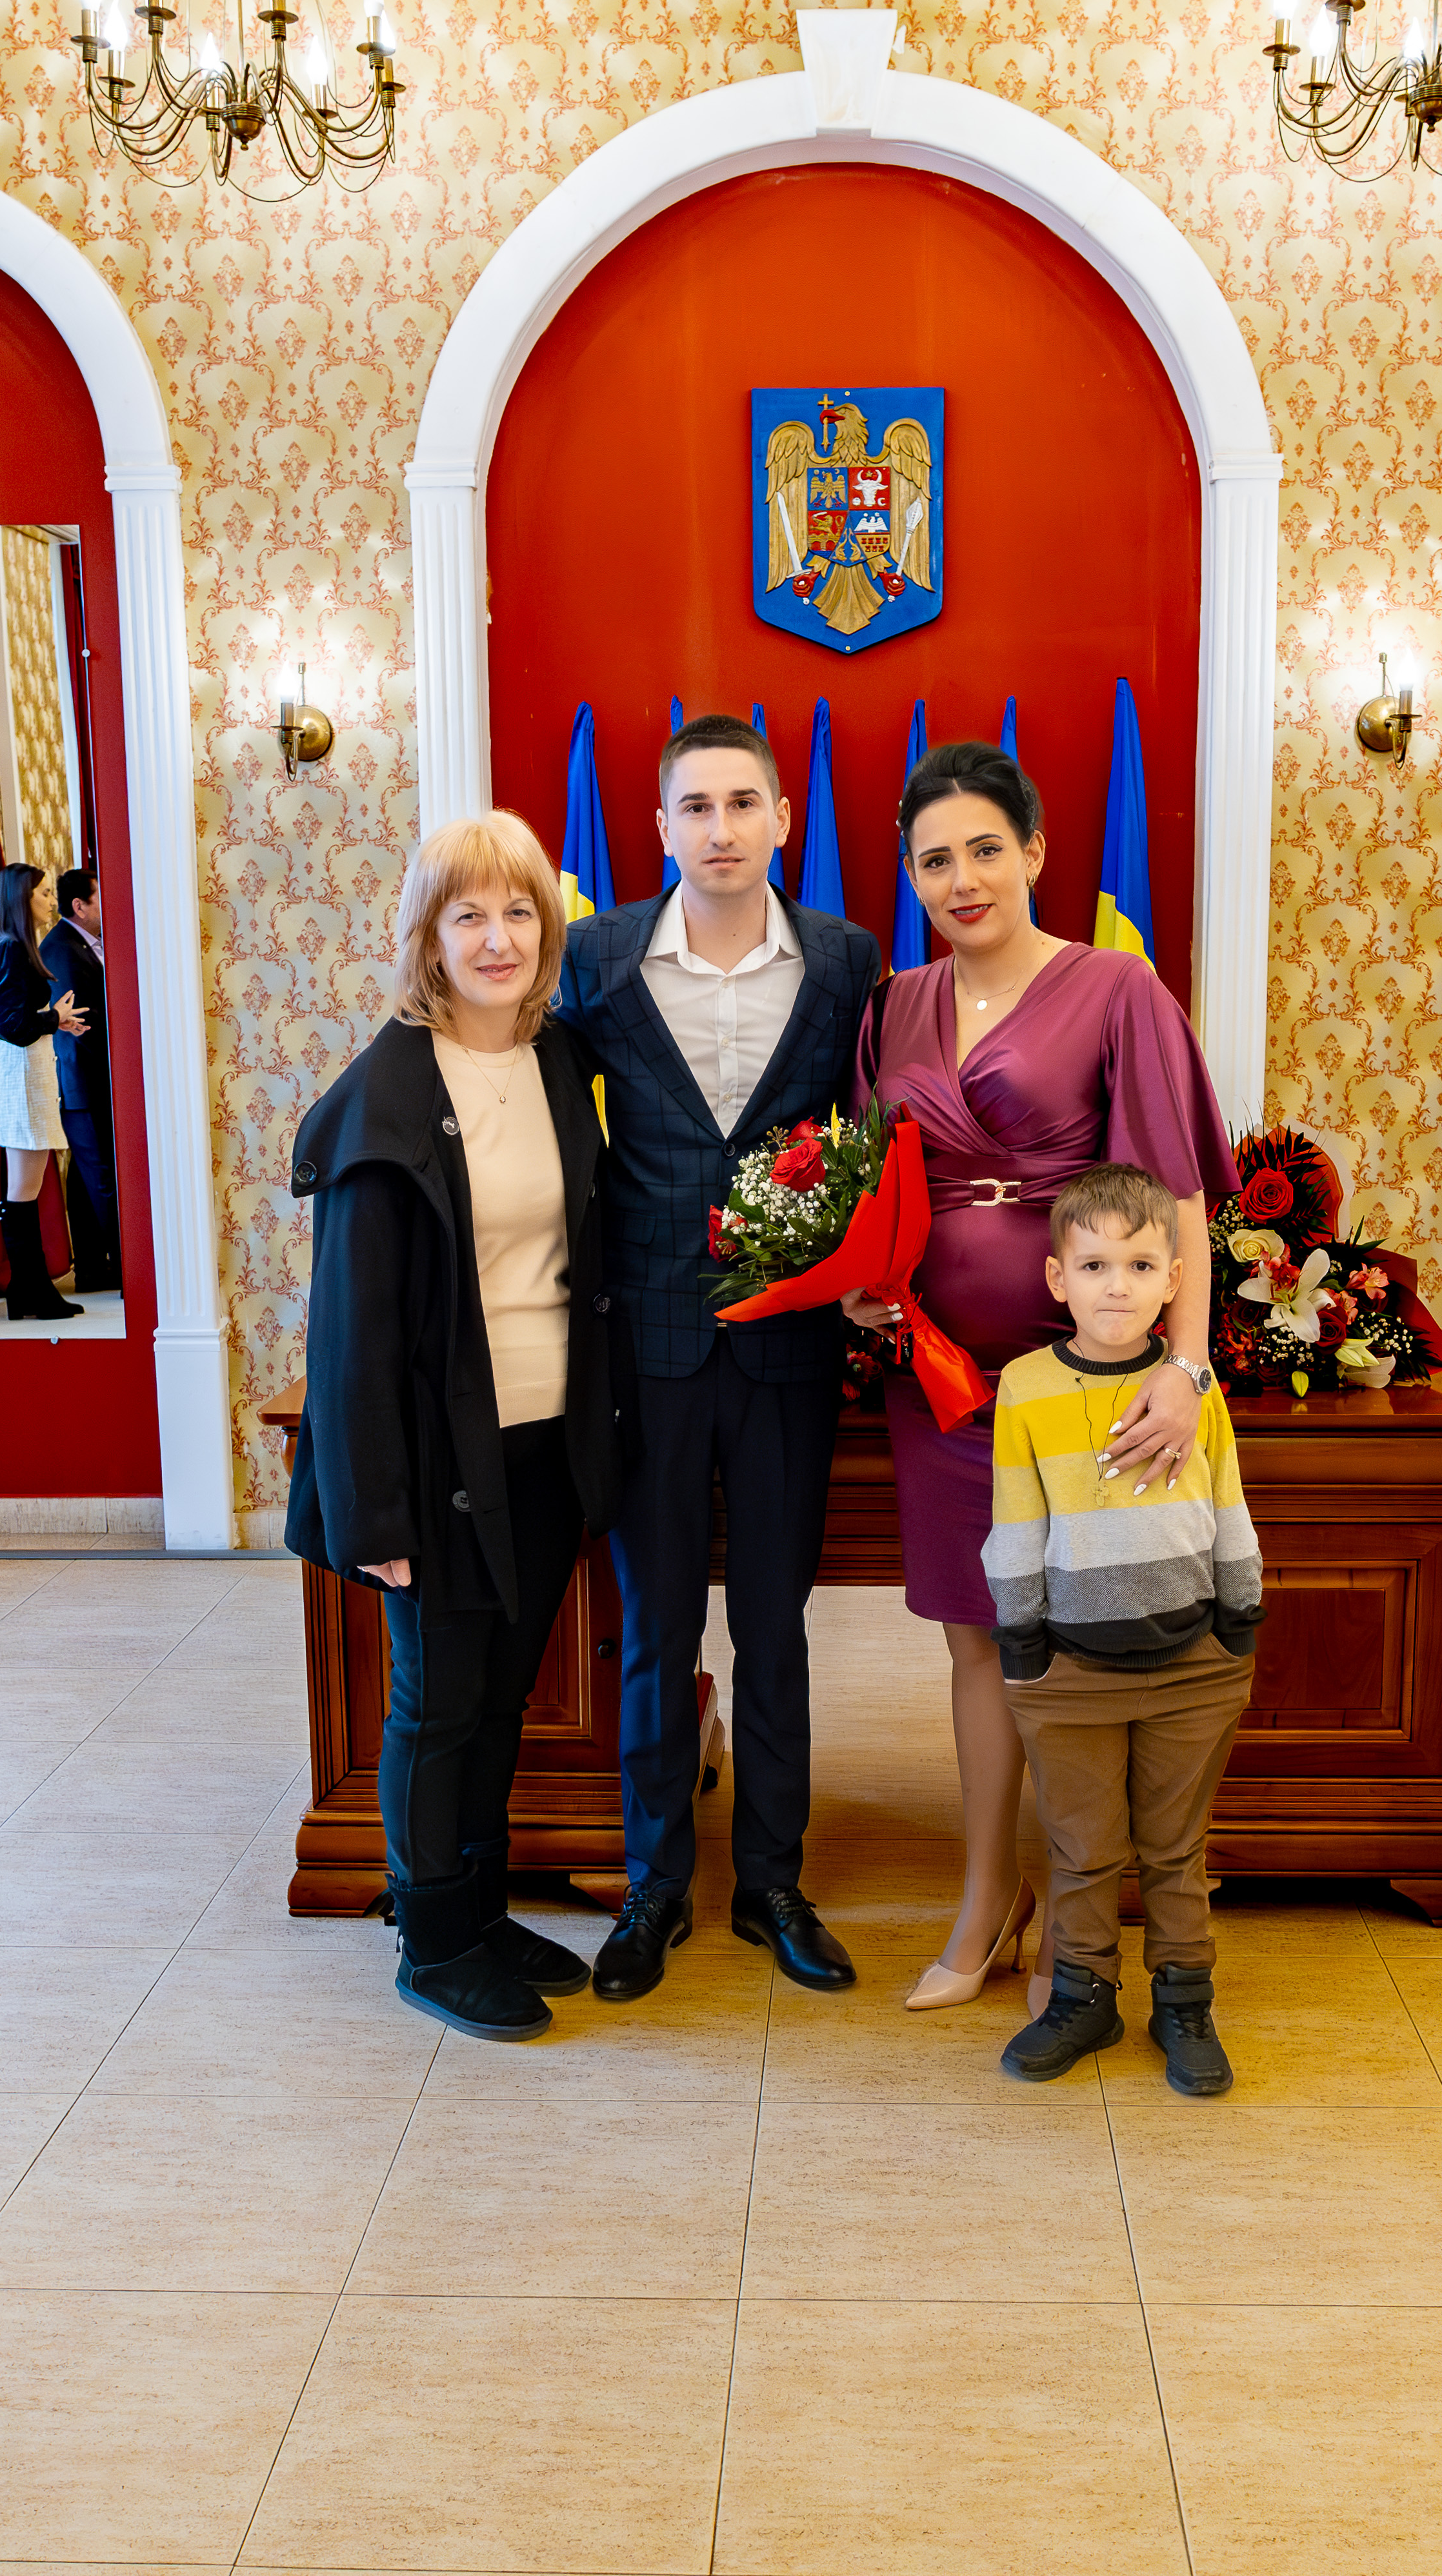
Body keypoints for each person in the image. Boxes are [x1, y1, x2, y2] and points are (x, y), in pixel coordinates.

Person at [846, 739, 1237, 2013]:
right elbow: (874, 1187)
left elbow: (1177, 1198)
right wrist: (860, 1280)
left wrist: (1184, 1365)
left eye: (982, 849)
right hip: (944, 1385)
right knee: (978, 1643)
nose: (959, 879)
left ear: (1035, 850)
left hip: (1091, 1383)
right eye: (932, 860)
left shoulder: (1116, 988)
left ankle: (1080, 1927)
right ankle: (985, 1899)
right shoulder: (893, 1004)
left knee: (1081, 1657)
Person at [285, 812, 631, 2042]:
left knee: (499, 1696)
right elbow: (352, 1332)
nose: (496, 938)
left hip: (544, 1445)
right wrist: (373, 1511)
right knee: (437, 1703)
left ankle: (478, 1907)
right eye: (467, 914)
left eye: (518, 912)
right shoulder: (387, 1093)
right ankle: (431, 1941)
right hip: (439, 1464)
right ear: (426, 936)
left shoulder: (553, 1060)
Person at [555, 713, 879, 2001]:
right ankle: (652, 1886)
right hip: (646, 1343)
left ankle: (771, 1883)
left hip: (789, 1345)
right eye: (694, 806)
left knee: (774, 1627)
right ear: (659, 827)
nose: (721, 827)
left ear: (782, 818)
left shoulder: (847, 960)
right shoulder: (594, 956)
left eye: (743, 802)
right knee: (653, 1629)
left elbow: (874, 1132)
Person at [982, 1163, 1263, 2092]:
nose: (1117, 1286)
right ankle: (1082, 1998)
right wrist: (1022, 1644)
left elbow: (1228, 1508)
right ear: (1057, 1277)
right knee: (1083, 1847)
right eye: (1094, 1266)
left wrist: (1238, 1624)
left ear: (1174, 1280)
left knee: (1175, 1850)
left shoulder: (1193, 1388)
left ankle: (1183, 2003)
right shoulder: (1025, 1386)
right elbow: (1016, 1521)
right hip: (1070, 1670)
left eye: (1140, 1267)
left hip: (1194, 1663)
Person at [0, 861, 88, 1323]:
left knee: (25, 1187)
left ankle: (27, 1290)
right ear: (21, 900)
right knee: (25, 1188)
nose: (49, 900)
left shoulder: (6, 947)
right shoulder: (11, 950)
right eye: (42, 893)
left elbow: (15, 1019)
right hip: (21, 1080)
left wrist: (55, 1019)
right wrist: (55, 1018)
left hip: (21, 1077)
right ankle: (33, 1291)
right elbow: (12, 1026)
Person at [41, 867, 120, 1291]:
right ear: (80, 906)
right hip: (85, 1082)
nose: (107, 906)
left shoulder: (84, 943)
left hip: (91, 1082)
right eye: (100, 898)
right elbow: (82, 1027)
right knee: (102, 1175)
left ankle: (90, 1267)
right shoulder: (63, 950)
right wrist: (119, 1073)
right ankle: (128, 1269)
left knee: (84, 1176)